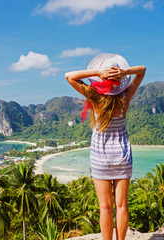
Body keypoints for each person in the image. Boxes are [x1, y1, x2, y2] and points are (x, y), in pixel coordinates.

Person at [65, 53, 146, 240]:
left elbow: (69, 76)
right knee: (122, 205)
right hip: (122, 153)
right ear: (120, 78)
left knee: (105, 207)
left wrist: (97, 72)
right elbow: (142, 71)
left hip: (100, 154)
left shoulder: (94, 96)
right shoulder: (125, 96)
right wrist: (124, 71)